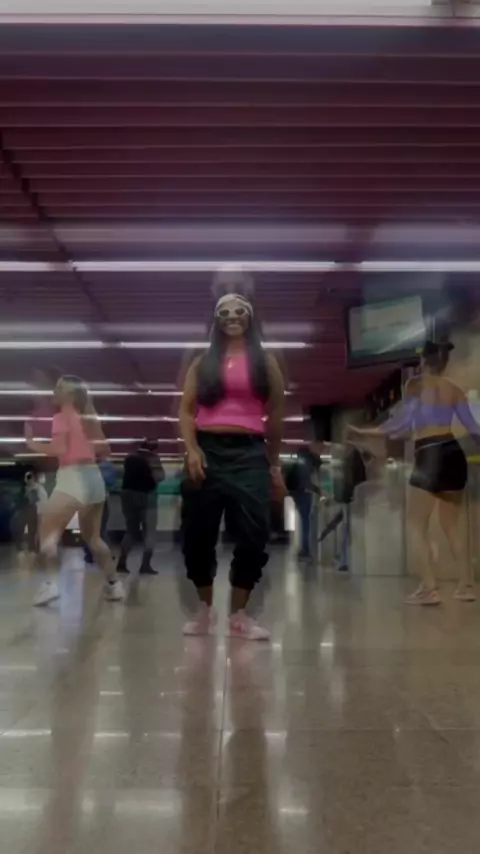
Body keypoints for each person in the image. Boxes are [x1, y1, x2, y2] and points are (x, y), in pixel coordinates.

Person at [178, 284, 285, 640]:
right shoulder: (201, 362)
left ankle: (239, 614)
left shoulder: (265, 362)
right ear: (216, 320)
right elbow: (186, 410)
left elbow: (276, 415)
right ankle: (204, 610)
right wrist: (192, 449)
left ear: (250, 317)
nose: (232, 318)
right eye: (224, 313)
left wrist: (274, 466)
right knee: (198, 533)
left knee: (254, 532)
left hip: (250, 451)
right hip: (207, 450)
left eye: (239, 312)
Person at [349, 339, 480, 605]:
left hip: (429, 453)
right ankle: (466, 586)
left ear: (423, 362)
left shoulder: (415, 385)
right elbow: (474, 428)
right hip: (453, 453)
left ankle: (429, 588)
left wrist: (365, 431)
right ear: (444, 363)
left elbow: (401, 423)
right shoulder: (455, 390)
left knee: (416, 524)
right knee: (451, 526)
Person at [24, 374, 124, 606]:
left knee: (47, 536)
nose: (55, 391)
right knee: (94, 538)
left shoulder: (61, 416)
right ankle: (114, 585)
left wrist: (31, 443)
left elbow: (59, 448)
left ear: (69, 395)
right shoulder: (89, 418)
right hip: (94, 479)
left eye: (60, 388)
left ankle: (49, 585)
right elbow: (105, 450)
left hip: (73, 477)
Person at [117, 439, 165, 575]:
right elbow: (160, 477)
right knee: (149, 532)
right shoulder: (152, 458)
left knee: (131, 530)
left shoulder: (129, 456)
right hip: (146, 495)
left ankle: (121, 563)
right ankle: (145, 565)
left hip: (127, 494)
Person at [283, 442, 322, 561]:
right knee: (306, 523)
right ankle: (305, 550)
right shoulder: (307, 464)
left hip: (296, 493)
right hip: (305, 493)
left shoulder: (297, 462)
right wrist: (319, 490)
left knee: (302, 521)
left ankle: (303, 548)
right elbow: (308, 483)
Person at [12, 468, 47, 558]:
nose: (28, 480)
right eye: (27, 478)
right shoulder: (24, 489)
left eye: (30, 478)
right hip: (24, 511)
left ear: (33, 478)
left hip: (34, 511)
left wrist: (41, 512)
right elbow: (19, 500)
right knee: (20, 529)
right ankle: (21, 547)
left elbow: (43, 501)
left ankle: (33, 547)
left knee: (33, 530)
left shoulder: (39, 488)